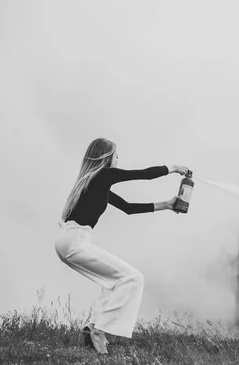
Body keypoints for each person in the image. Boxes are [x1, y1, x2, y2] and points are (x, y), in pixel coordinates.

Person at [55, 137, 189, 354]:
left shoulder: (94, 182)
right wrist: (174, 168)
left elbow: (128, 208)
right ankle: (100, 330)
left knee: (114, 282)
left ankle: (92, 329)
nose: (118, 159)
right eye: (116, 155)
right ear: (107, 158)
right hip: (75, 241)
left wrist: (166, 205)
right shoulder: (104, 175)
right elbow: (143, 174)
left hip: (67, 240)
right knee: (133, 278)